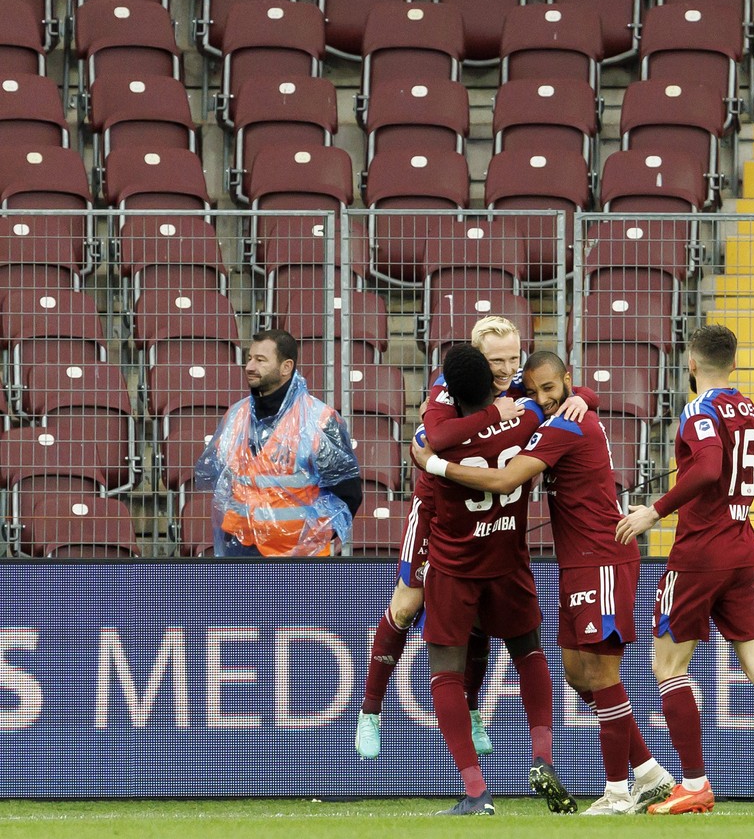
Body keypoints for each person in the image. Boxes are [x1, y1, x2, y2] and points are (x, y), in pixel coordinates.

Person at [414, 350, 675, 816]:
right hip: (573, 564)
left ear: (567, 380)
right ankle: (651, 773)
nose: (541, 399)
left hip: (602, 558)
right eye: (533, 391)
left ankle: (618, 792)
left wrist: (433, 465)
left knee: (601, 675)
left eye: (550, 390)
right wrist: (582, 397)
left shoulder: (563, 424)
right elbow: (549, 406)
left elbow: (505, 476)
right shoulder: (547, 415)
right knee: (577, 675)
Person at [356, 316, 594, 818]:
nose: (509, 369)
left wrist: (580, 395)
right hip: (440, 515)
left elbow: (433, 448)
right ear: (476, 361)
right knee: (406, 604)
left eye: (514, 358)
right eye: (497, 362)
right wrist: (536, 409)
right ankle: (371, 711)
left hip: (471, 536)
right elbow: (438, 435)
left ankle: (471, 744)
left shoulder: (520, 397)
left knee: (464, 638)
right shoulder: (458, 395)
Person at [612, 324, 754, 815]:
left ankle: (695, 783)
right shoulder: (751, 410)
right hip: (744, 549)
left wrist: (652, 511)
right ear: (733, 363)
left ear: (691, 363)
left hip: (700, 554)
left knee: (668, 667)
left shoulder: (698, 410)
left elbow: (705, 469)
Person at [419, 344, 563, 816]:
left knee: (446, 674)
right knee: (529, 653)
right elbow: (556, 402)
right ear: (492, 383)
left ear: (449, 394)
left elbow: (432, 442)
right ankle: (542, 756)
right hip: (508, 559)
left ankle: (476, 792)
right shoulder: (524, 420)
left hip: (454, 566)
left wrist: (432, 459)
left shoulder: (439, 438)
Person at [195, 329, 362, 557]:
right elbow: (220, 480)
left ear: (286, 367)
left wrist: (309, 545)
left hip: (299, 560)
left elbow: (347, 496)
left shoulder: (319, 421)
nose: (250, 367)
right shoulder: (235, 416)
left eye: (260, 360)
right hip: (240, 554)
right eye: (249, 358)